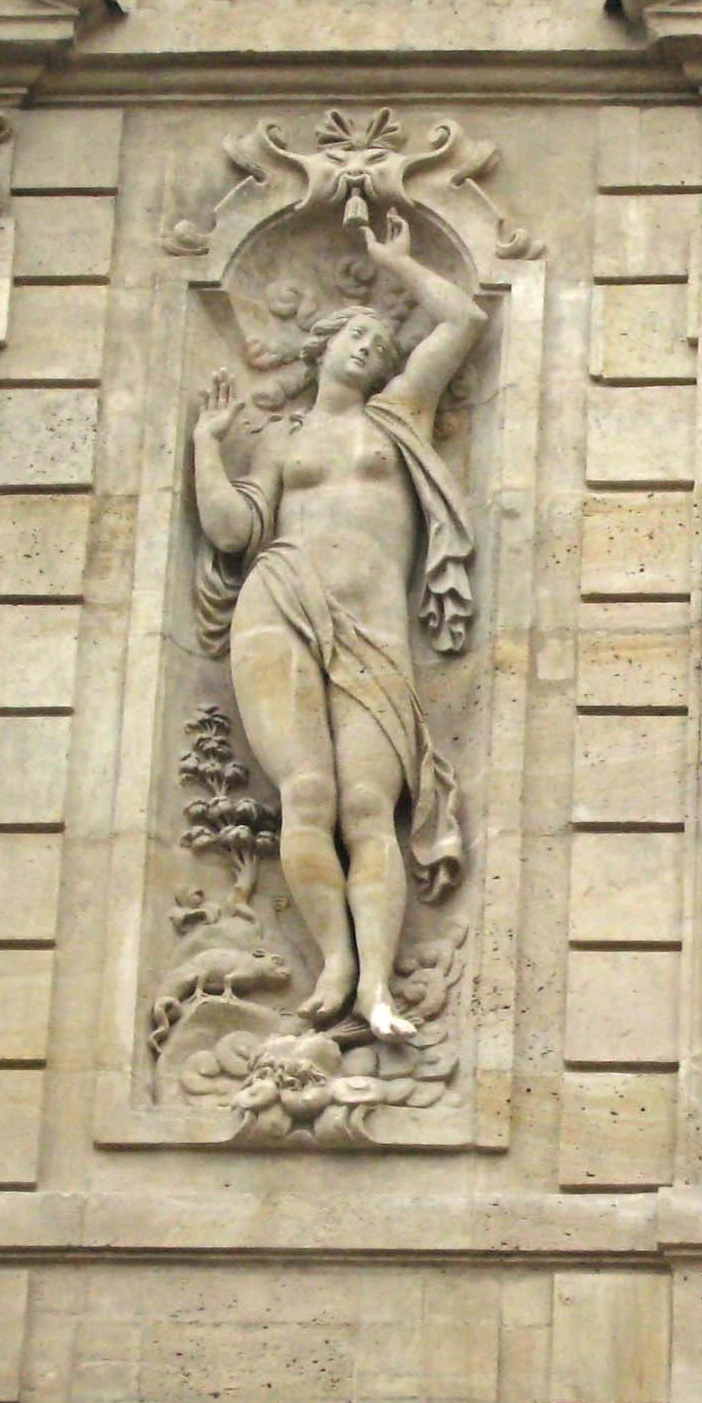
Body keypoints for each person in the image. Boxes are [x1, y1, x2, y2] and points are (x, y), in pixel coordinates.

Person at [191, 209, 481, 1041]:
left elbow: (463, 320)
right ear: (322, 348)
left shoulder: (400, 415)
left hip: (373, 629)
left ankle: (378, 984)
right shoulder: (280, 442)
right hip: (279, 601)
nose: (370, 350)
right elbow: (233, 533)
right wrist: (207, 446)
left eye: (380, 345)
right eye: (357, 336)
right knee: (307, 794)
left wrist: (400, 262)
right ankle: (336, 964)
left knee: (367, 804)